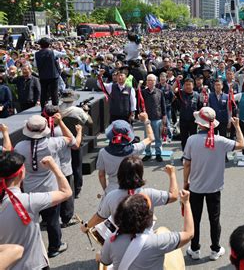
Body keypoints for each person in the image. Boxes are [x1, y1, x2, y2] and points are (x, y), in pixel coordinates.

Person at [183, 107, 244, 261]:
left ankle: (195, 248)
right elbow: (242, 144)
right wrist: (237, 126)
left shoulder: (191, 140)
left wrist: (186, 182)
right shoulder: (220, 140)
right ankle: (215, 249)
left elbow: (187, 164)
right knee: (214, 219)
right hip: (215, 187)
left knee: (195, 218)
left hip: (196, 186)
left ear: (199, 124)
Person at [14, 114, 73, 258]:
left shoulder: (20, 146)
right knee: (53, 221)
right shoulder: (53, 143)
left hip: (29, 190)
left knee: (30, 223)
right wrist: (61, 122)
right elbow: (71, 139)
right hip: (50, 190)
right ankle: (54, 247)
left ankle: (30, 250)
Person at [0, 152, 72, 269]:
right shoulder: (29, 201)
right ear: (21, 173)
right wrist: (54, 167)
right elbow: (66, 192)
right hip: (35, 265)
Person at [81, 156, 178, 233]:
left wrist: (86, 226)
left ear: (120, 174)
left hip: (119, 240)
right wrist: (172, 174)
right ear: (140, 174)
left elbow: (99, 217)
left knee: (101, 256)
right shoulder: (149, 194)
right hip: (145, 240)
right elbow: (174, 196)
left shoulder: (111, 196)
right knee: (163, 232)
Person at [99, 190, 194, 269]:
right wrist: (186, 202)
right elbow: (189, 233)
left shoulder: (112, 240)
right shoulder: (157, 242)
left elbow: (104, 261)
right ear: (147, 218)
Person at [97, 113, 154, 195]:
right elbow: (150, 138)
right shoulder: (135, 149)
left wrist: (106, 190)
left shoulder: (103, 152)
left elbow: (101, 175)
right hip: (132, 188)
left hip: (112, 189)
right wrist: (146, 121)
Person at [141, 74, 167, 162]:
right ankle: (148, 153)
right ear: (146, 82)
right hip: (147, 119)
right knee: (147, 137)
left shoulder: (159, 92)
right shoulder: (143, 92)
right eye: (149, 80)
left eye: (152, 80)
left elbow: (163, 105)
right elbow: (140, 105)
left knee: (157, 137)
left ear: (155, 82)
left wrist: (164, 116)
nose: (150, 82)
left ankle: (158, 153)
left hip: (157, 118)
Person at [35, 37, 66, 108]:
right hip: (53, 75)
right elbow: (64, 54)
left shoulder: (36, 54)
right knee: (54, 92)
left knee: (43, 92)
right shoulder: (53, 52)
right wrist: (61, 47)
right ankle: (55, 107)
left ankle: (43, 108)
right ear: (49, 44)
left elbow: (35, 64)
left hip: (42, 76)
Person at [174, 77, 201, 150]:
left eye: (189, 84)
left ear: (193, 85)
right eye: (186, 85)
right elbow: (173, 90)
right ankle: (185, 155)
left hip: (193, 121)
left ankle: (193, 154)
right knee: (184, 139)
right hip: (183, 121)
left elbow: (199, 108)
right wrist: (177, 81)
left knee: (193, 139)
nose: (188, 86)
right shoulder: (181, 93)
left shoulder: (197, 95)